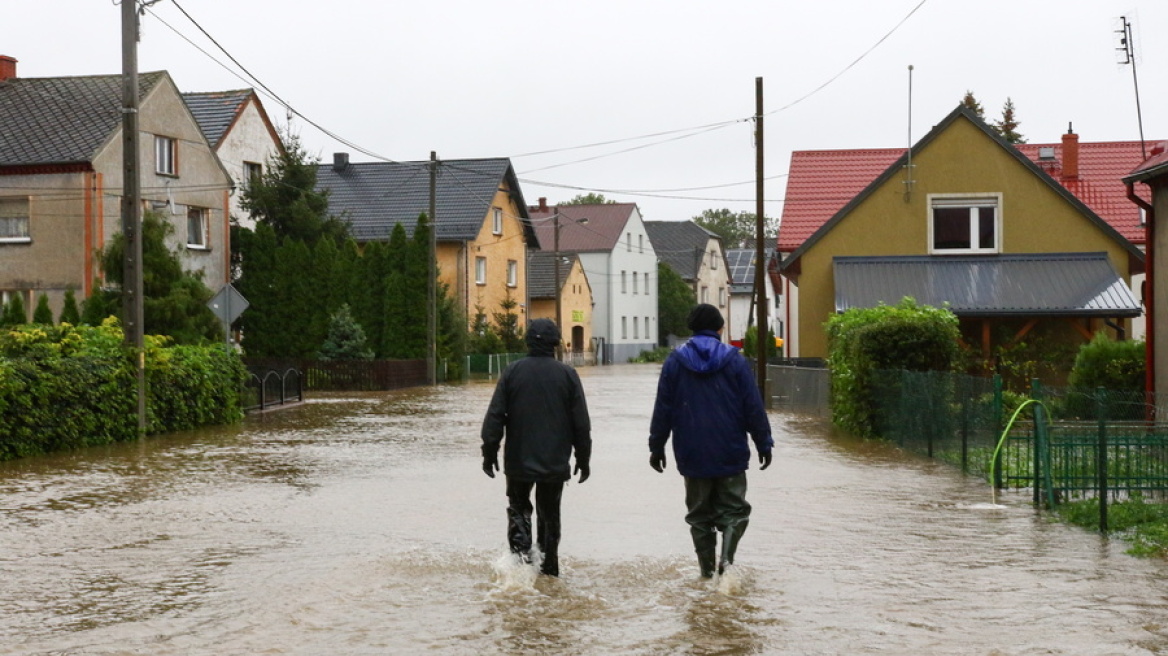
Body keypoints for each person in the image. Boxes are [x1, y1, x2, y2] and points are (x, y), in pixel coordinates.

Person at [648, 304, 773, 578]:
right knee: (735, 511)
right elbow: (753, 406)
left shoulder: (674, 361)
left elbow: (663, 409)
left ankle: (706, 574)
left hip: (691, 452)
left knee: (699, 516)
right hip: (730, 450)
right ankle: (726, 566)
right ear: (720, 329)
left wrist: (656, 446)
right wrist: (764, 442)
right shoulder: (735, 360)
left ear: (691, 329)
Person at [481, 318, 592, 577]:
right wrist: (583, 459)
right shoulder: (567, 375)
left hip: (518, 462)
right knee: (550, 514)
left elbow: (495, 416)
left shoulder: (512, 372)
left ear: (527, 342)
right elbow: (581, 424)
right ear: (555, 344)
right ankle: (549, 570)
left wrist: (489, 452)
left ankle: (519, 568)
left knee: (519, 509)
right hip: (554, 462)